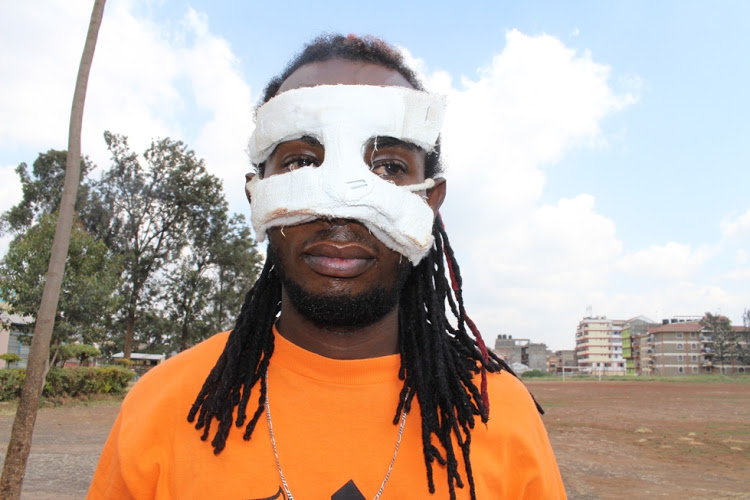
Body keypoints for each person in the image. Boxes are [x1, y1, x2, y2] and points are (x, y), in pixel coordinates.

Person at [88, 34, 565, 500]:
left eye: (388, 168)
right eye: (300, 163)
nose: (341, 209)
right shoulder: (163, 407)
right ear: (257, 194)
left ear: (430, 202)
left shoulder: (499, 414)